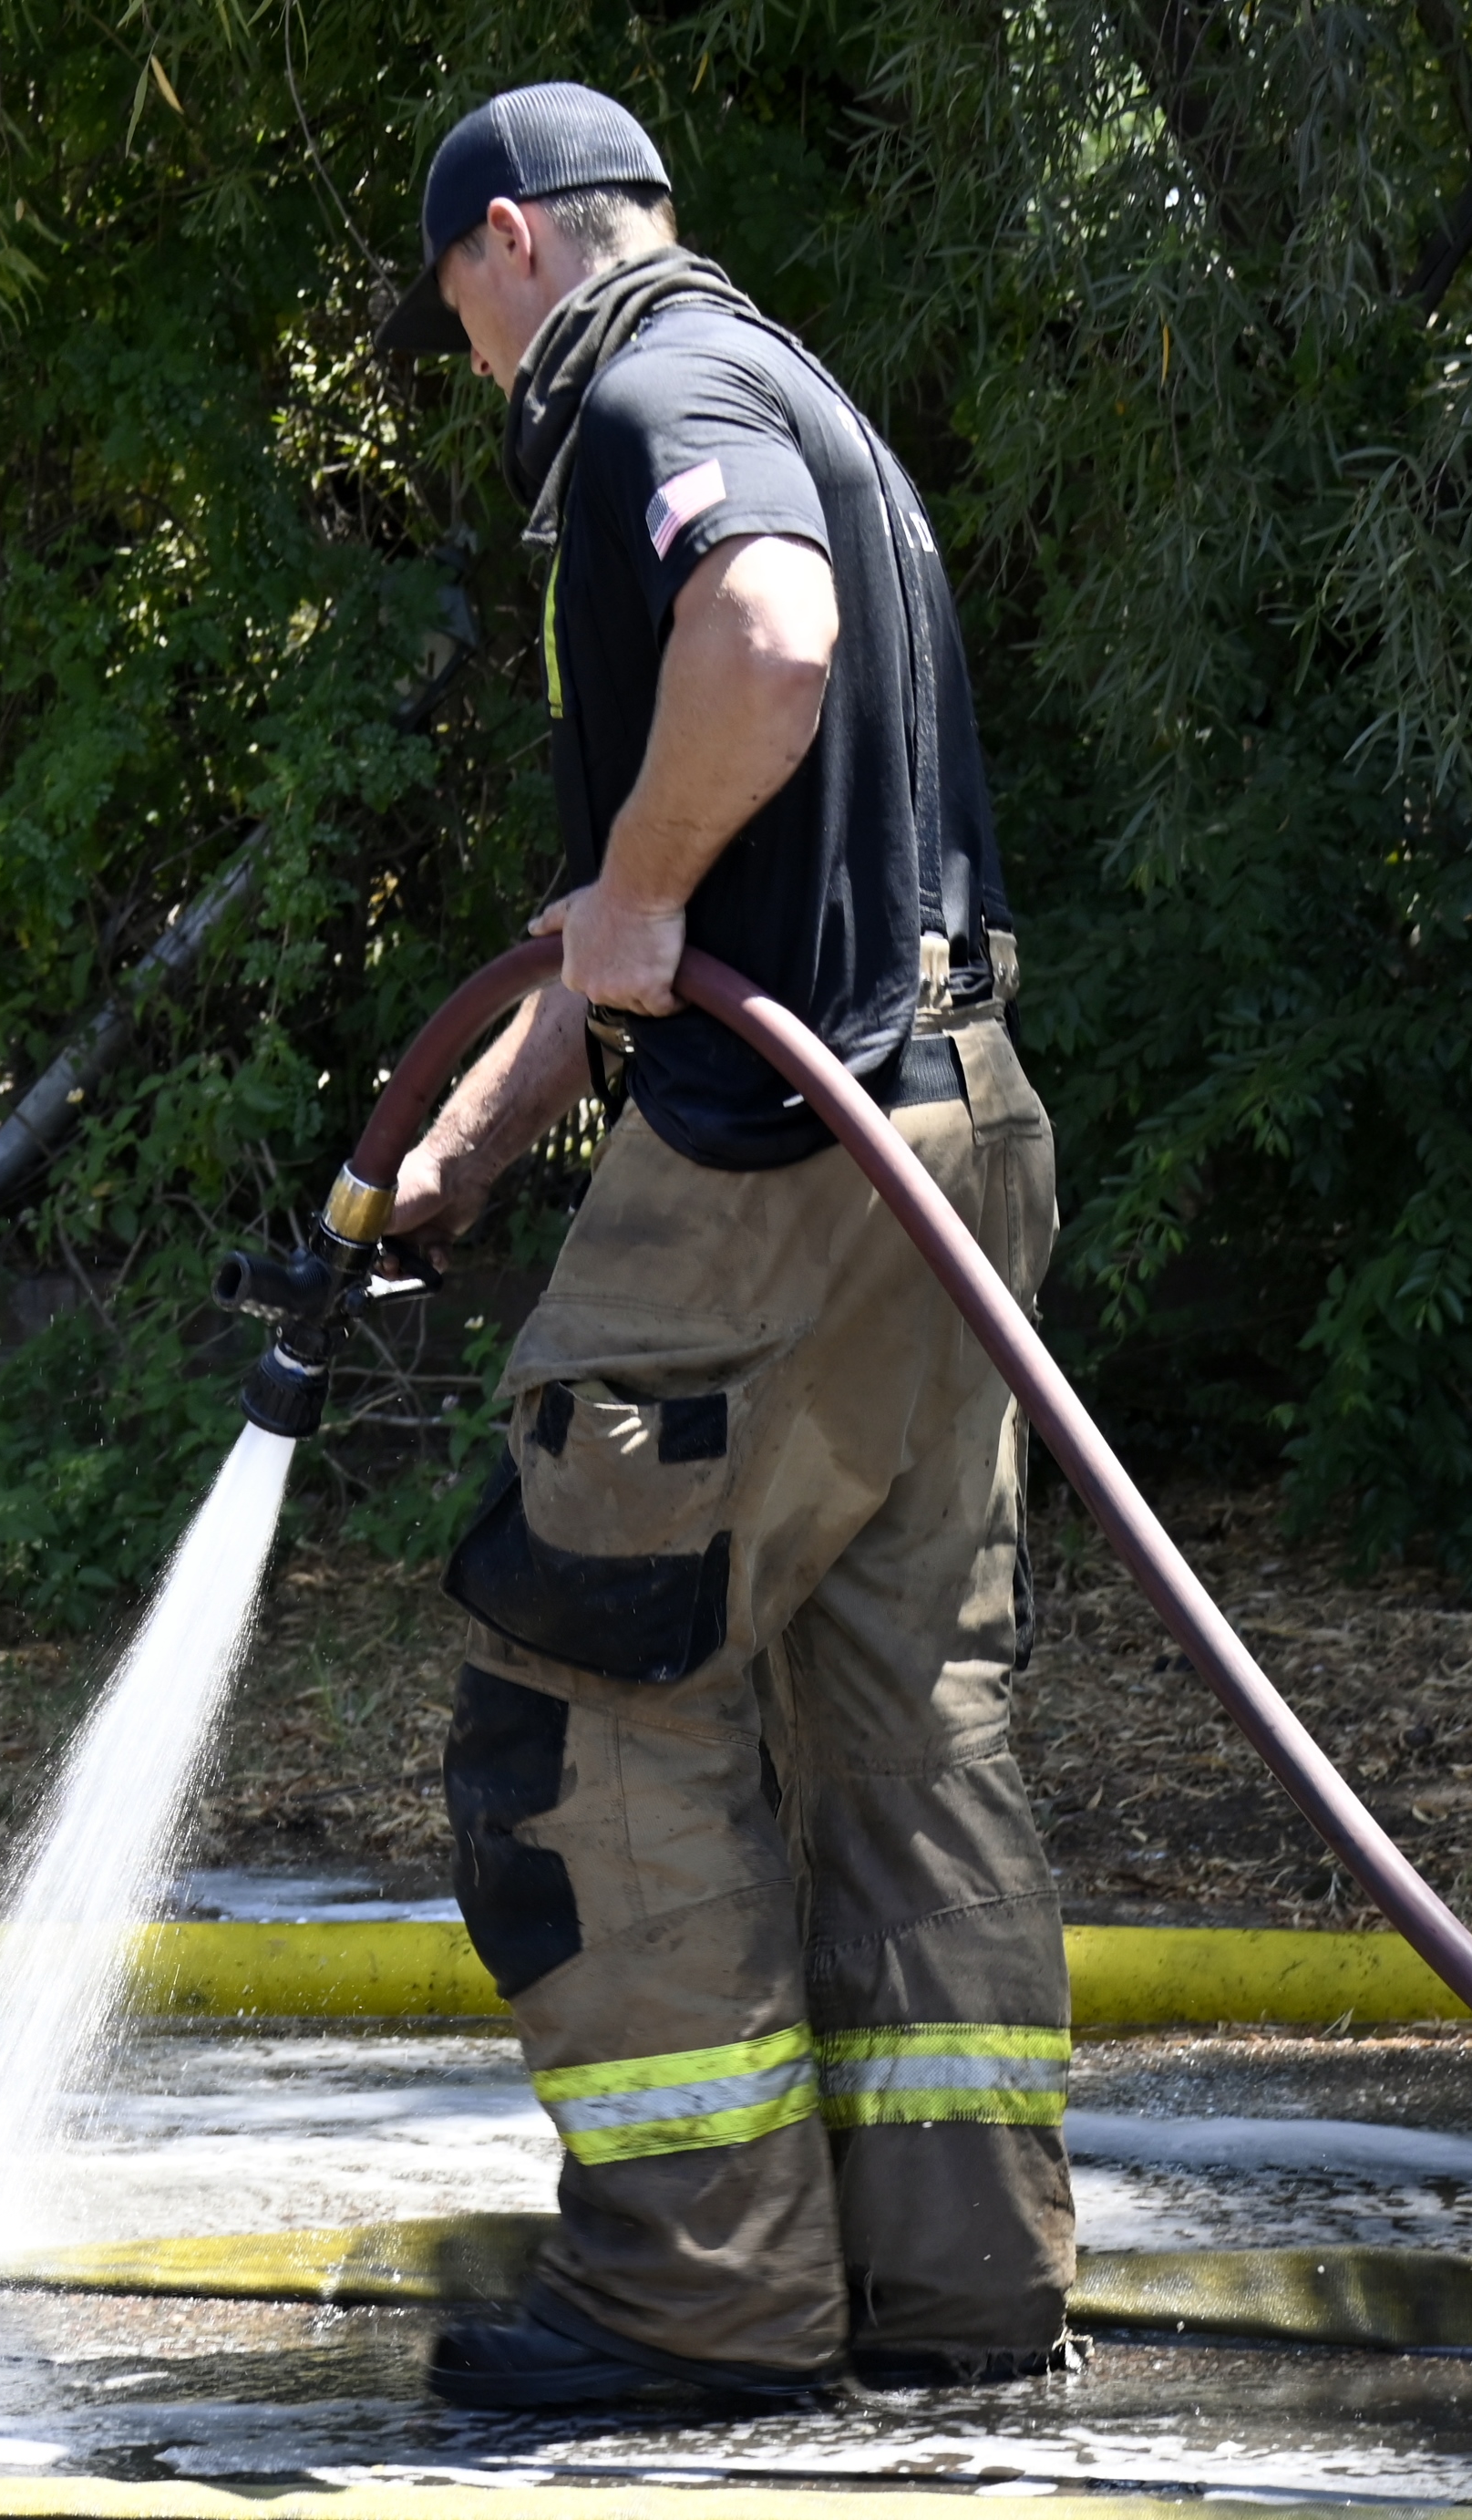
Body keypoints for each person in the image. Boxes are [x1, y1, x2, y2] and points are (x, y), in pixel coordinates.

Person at [376, 83, 1073, 2409]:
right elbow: (650, 915)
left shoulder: (642, 392)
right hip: (949, 1132)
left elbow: (761, 650)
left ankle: (697, 2293)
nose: (470, 361)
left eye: (454, 310)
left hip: (782, 1167)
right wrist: (468, 1143)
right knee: (903, 1713)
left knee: (581, 1693)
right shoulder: (797, 388)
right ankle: (956, 2286)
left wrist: (647, 890)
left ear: (506, 242)